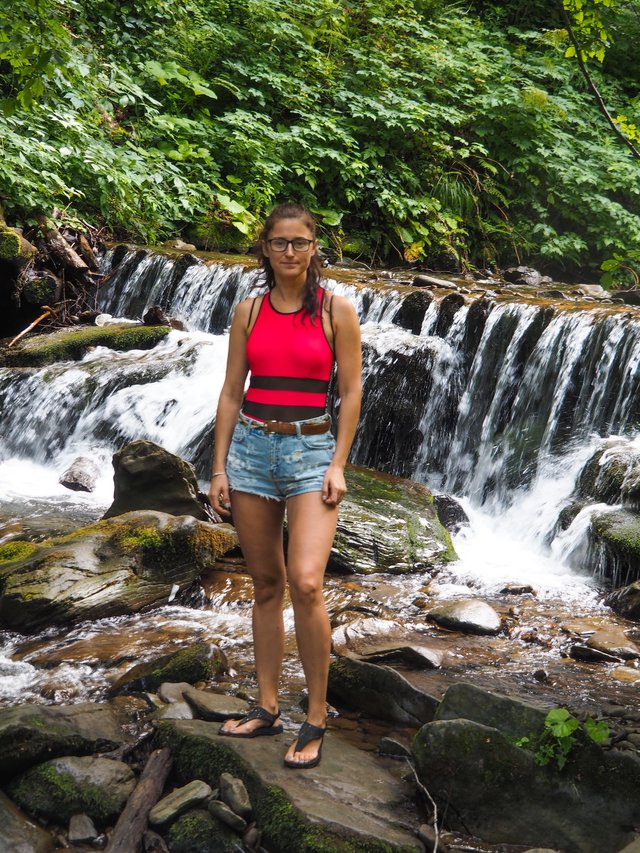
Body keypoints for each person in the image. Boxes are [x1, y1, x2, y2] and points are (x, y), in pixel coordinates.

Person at [208, 203, 361, 769]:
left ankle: (316, 716)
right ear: (265, 249)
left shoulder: (336, 311)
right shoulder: (248, 312)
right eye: (279, 243)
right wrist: (219, 467)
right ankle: (267, 706)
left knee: (306, 582)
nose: (290, 252)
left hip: (311, 452)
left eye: (300, 242)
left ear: (313, 247)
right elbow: (230, 392)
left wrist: (338, 463)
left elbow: (350, 394)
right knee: (266, 583)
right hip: (249, 451)